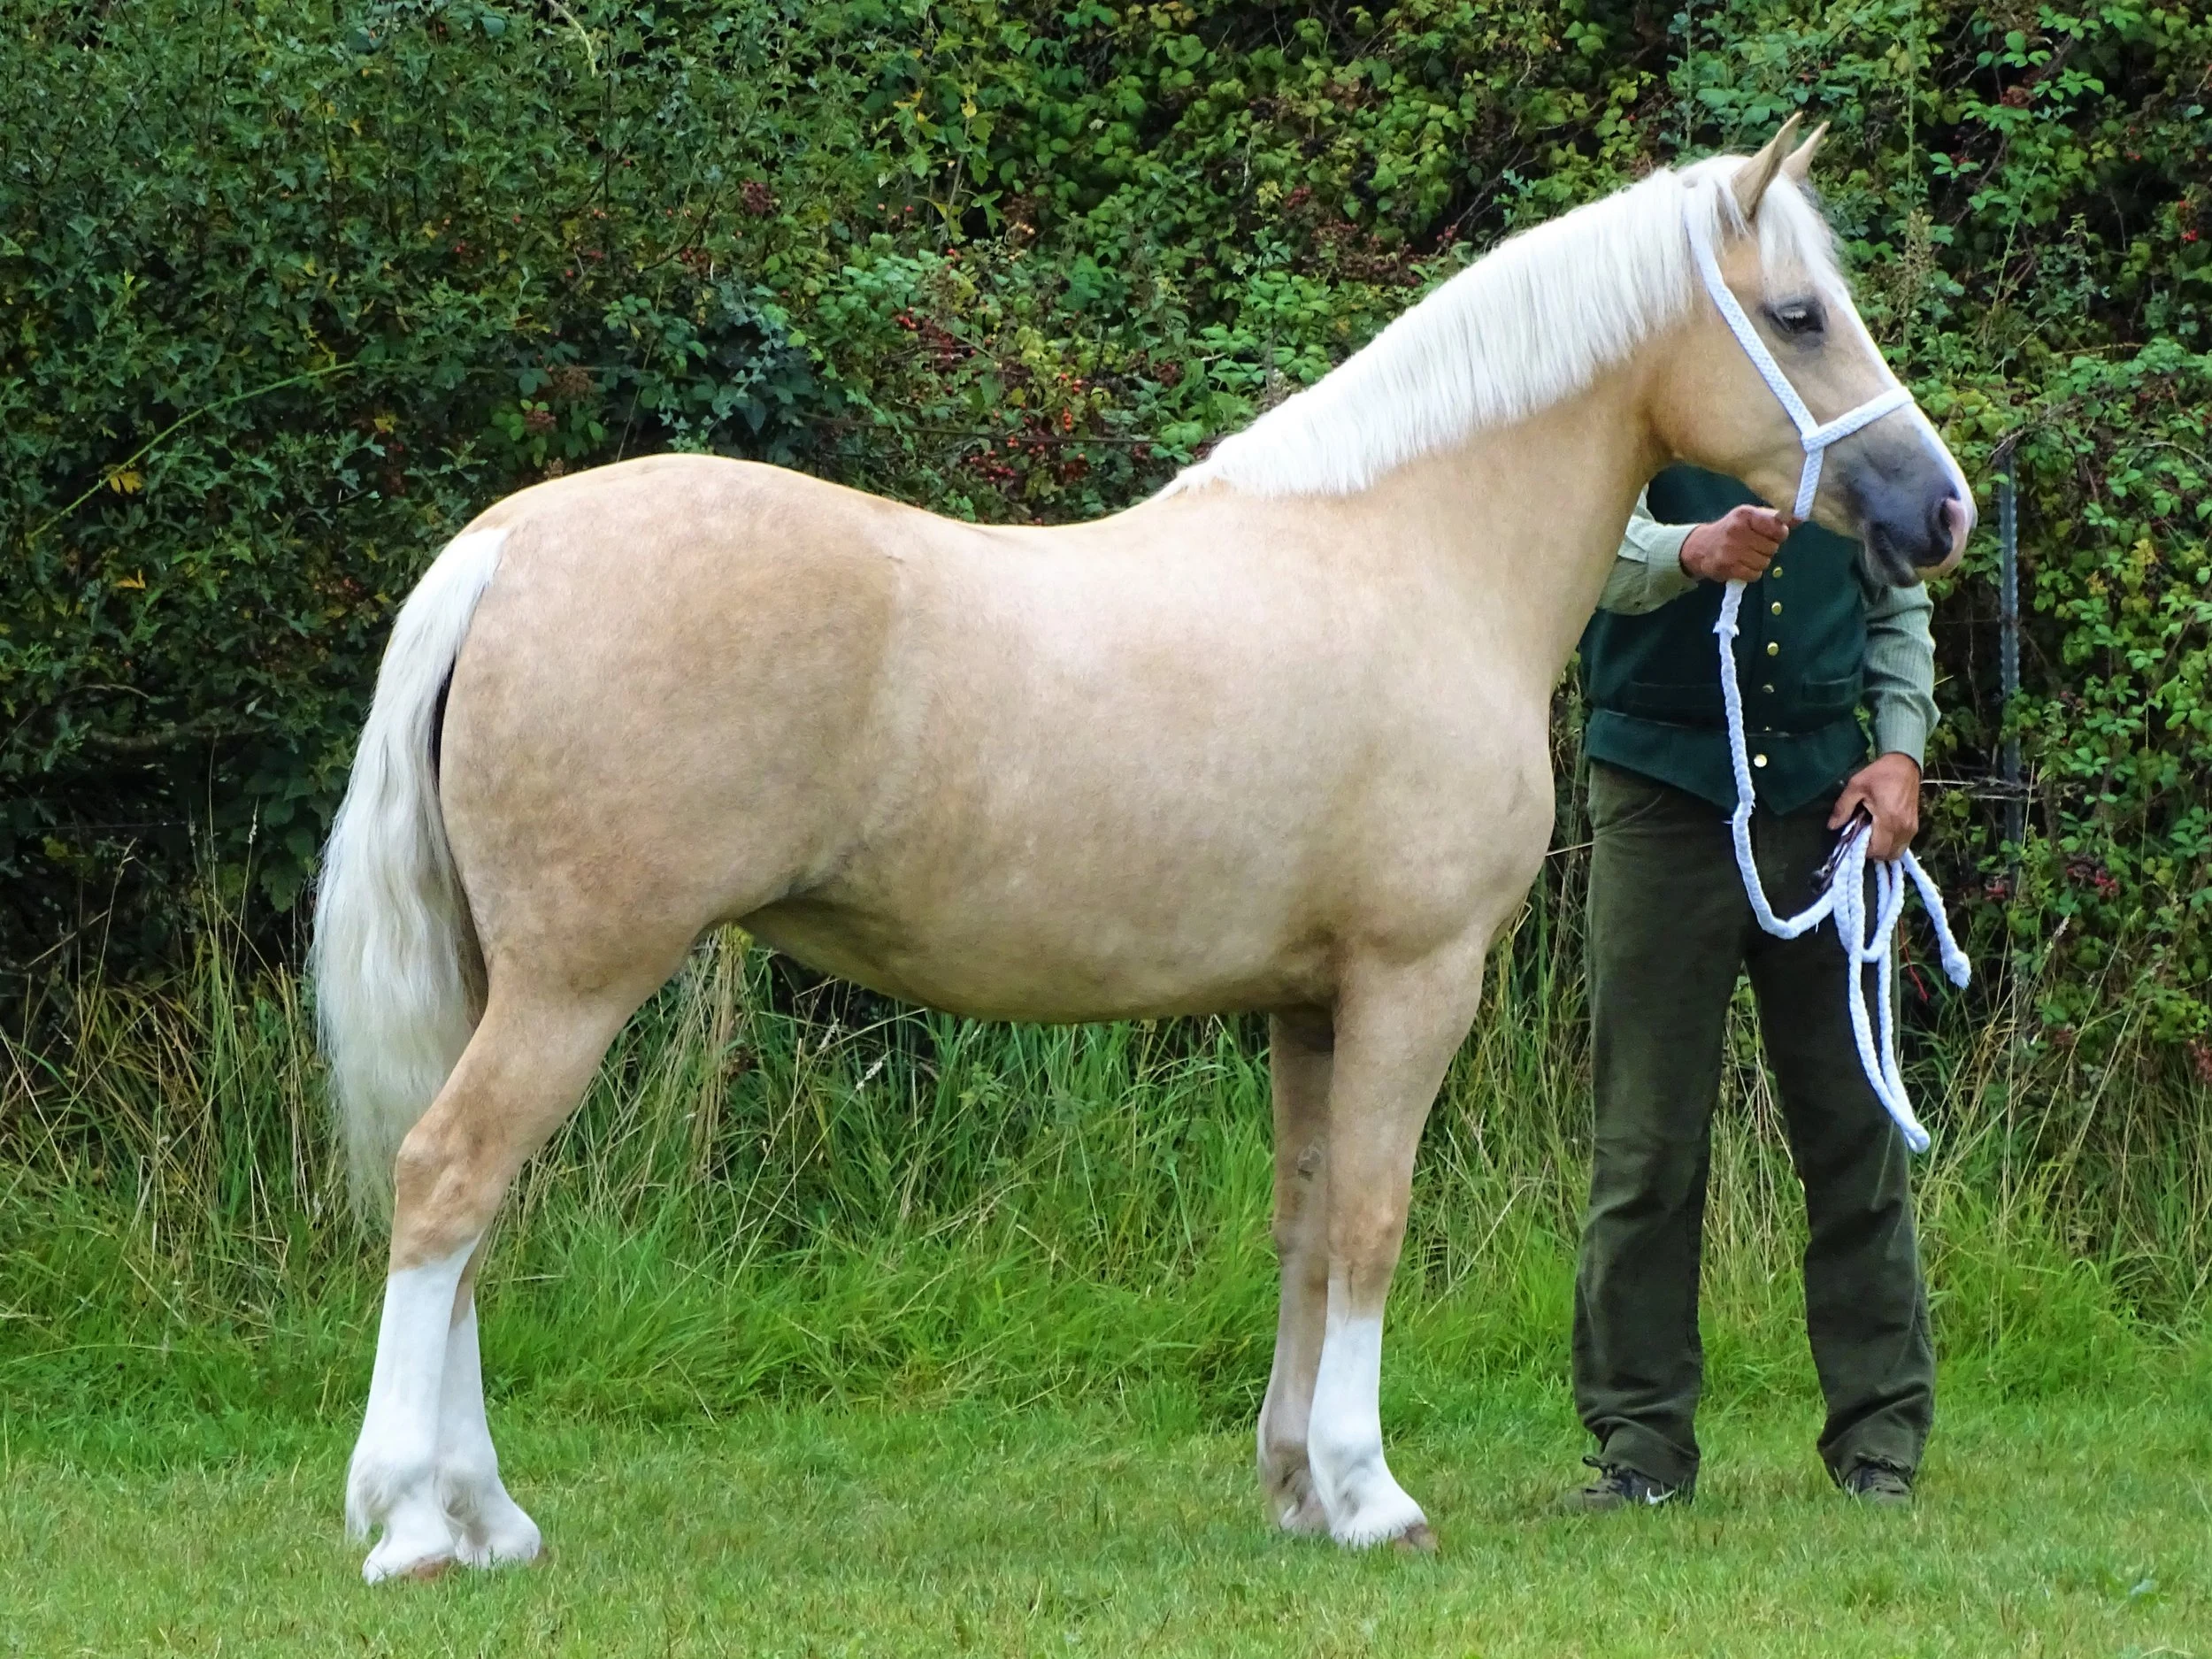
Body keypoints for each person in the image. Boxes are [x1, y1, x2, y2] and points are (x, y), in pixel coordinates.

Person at [1564, 462, 1939, 1510]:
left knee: (1853, 1130)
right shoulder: (1638, 393)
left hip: (1826, 808)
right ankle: (1639, 1450)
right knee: (1646, 1144)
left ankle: (1880, 1445)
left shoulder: (1848, 425)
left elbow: (1898, 596)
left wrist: (1899, 753)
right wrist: (1684, 552)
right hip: (1659, 798)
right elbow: (1581, 546)